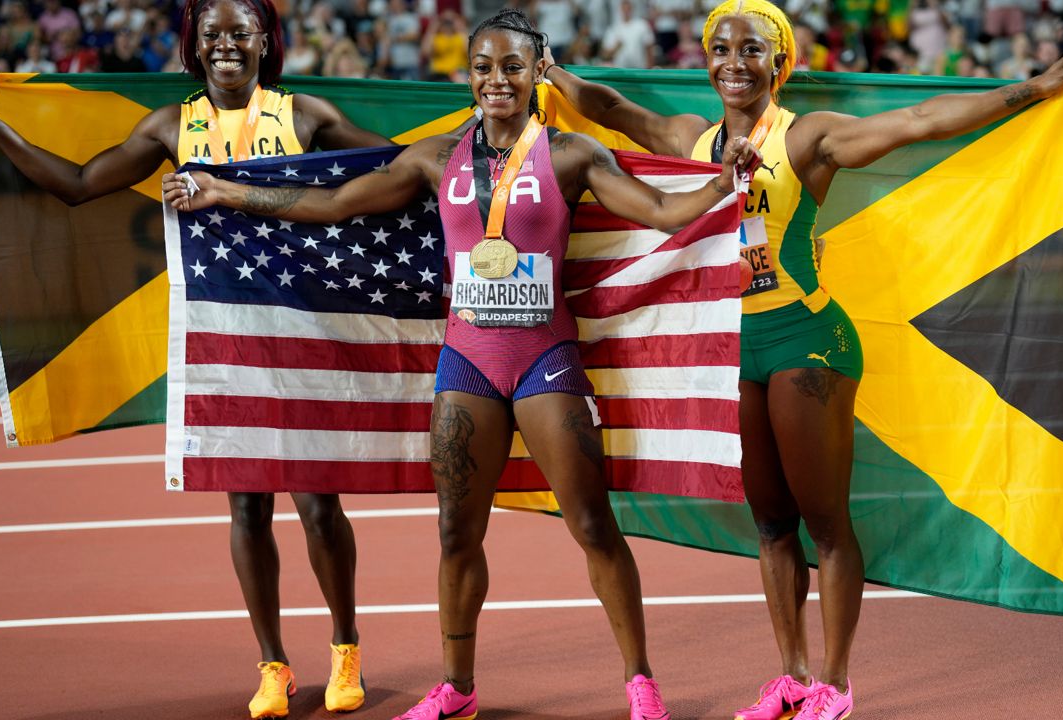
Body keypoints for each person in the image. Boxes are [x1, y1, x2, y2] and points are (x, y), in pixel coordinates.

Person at [163, 9, 758, 720]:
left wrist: (724, 183)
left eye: (512, 66)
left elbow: (661, 210)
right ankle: (458, 687)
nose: (497, 80)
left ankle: (640, 684)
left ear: (540, 69)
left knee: (593, 524)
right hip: (467, 366)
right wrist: (226, 191)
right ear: (468, 74)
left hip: (545, 361)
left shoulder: (571, 155)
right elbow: (332, 206)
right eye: (483, 67)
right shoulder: (431, 158)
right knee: (455, 532)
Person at [539, 1, 1063, 718]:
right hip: (730, 350)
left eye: (752, 50)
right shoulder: (691, 139)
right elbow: (614, 108)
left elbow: (923, 122)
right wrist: (551, 72)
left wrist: (1034, 88)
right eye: (721, 48)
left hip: (807, 343)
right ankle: (792, 676)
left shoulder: (809, 139)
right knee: (770, 525)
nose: (733, 62)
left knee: (825, 525)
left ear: (780, 63)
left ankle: (836, 682)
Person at [0, 0, 392, 717]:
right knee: (247, 504)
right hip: (221, 329)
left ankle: (346, 650)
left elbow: (387, 168)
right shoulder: (170, 125)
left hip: (304, 324)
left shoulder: (305, 114)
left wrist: (491, 129)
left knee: (319, 501)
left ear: (264, 42)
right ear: (193, 46)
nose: (226, 45)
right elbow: (75, 185)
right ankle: (273, 665)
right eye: (211, 34)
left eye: (239, 33)